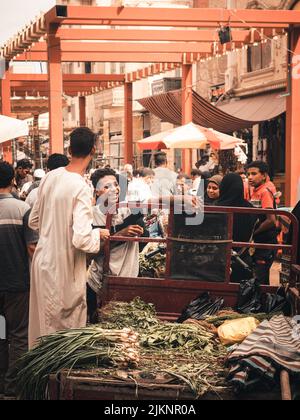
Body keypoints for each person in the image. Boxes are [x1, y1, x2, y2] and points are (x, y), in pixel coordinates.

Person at [28, 128, 109, 349]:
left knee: (41, 332)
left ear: (70, 149)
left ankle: (38, 382)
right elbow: (82, 239)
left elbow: (33, 221)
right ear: (94, 150)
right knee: (62, 337)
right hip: (62, 268)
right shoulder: (80, 186)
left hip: (42, 262)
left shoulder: (51, 176)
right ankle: (55, 383)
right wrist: (98, 233)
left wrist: (53, 229)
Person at [87, 168, 144, 322]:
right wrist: (120, 235)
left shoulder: (130, 210)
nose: (113, 189)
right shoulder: (91, 215)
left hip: (128, 280)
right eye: (106, 186)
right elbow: (89, 254)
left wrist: (178, 199)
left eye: (115, 184)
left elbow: (155, 204)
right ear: (97, 192)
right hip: (99, 282)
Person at [0, 162, 37, 398]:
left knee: (0, 335)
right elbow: (33, 249)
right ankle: (12, 389)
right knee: (18, 336)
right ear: (13, 179)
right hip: (17, 287)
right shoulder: (22, 209)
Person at [247, 161, 278, 284]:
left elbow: (271, 221)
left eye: (254, 174)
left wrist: (253, 233)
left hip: (266, 242)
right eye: (248, 174)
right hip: (259, 241)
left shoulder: (264, 192)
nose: (250, 177)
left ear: (264, 175)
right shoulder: (255, 191)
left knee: (261, 278)